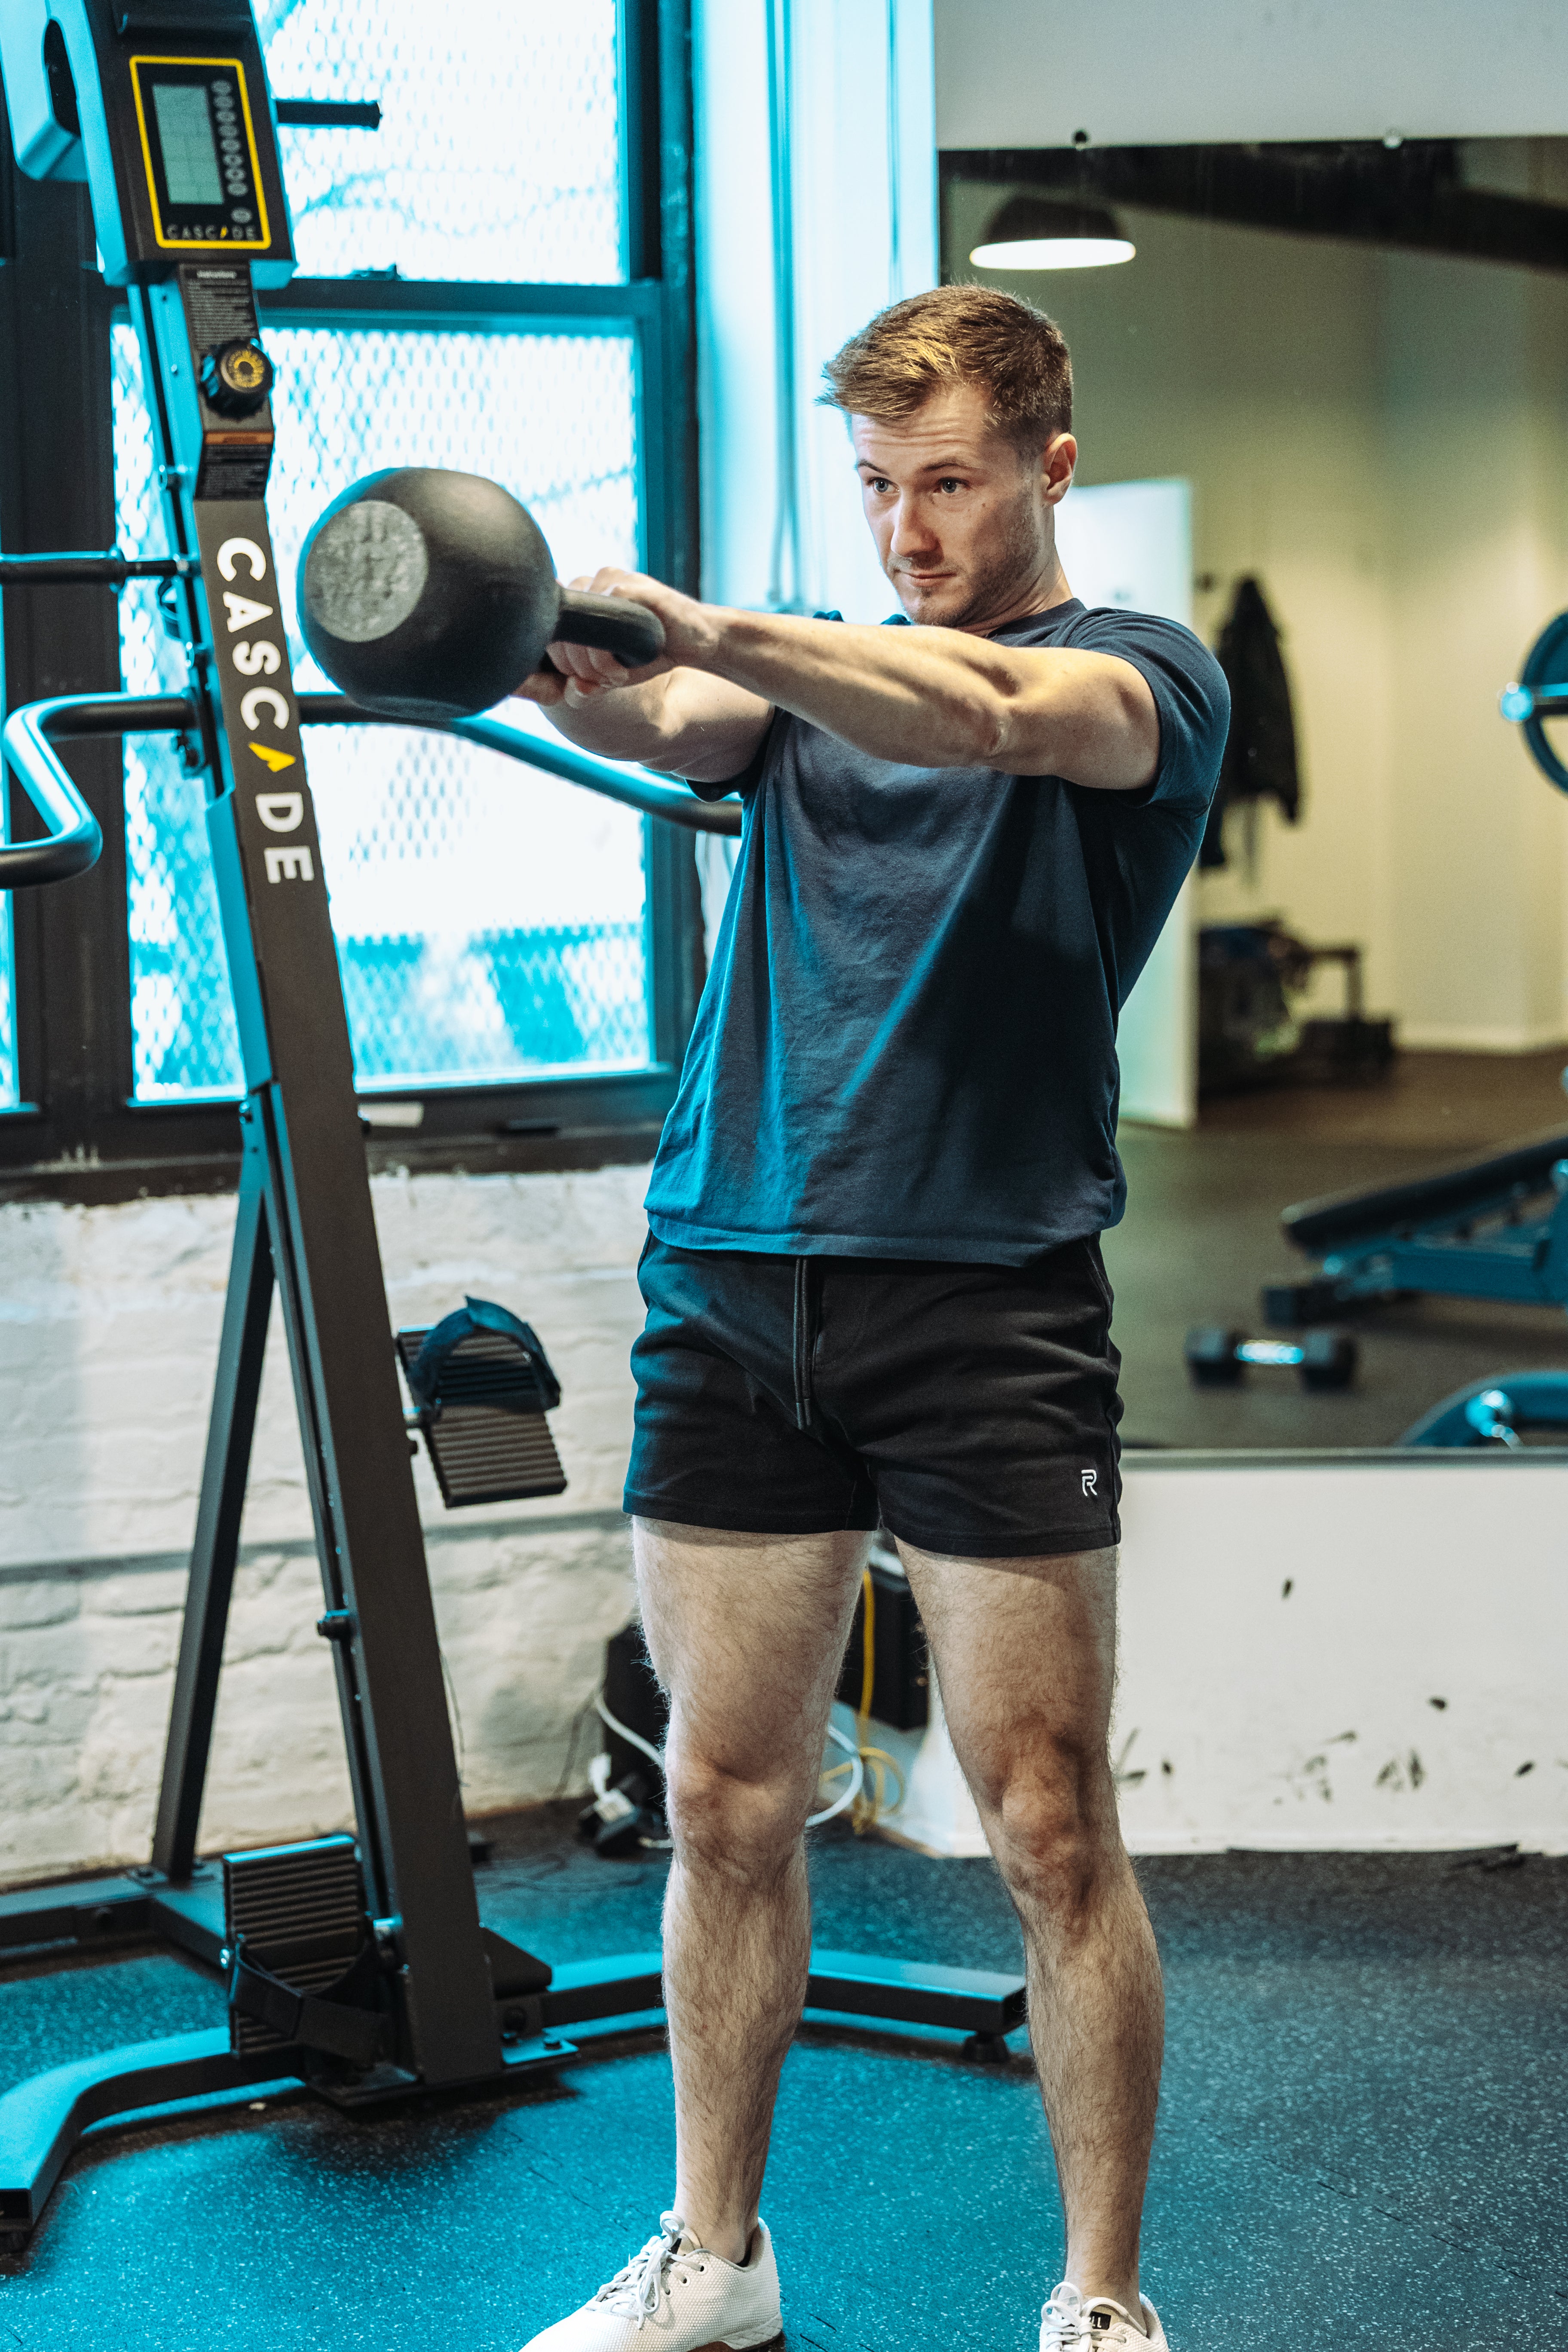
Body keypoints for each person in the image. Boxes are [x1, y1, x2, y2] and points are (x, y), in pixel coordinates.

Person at [511, 285, 1228, 2352]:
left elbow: (982, 717)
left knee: (1045, 1818)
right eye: (876, 492)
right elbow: (665, 726)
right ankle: (715, 2261)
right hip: (733, 1276)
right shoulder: (806, 687)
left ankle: (1100, 2302)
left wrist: (710, 620)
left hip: (986, 1305)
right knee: (729, 1795)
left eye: (946, 484)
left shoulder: (1141, 679)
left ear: (1047, 465)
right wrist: (563, 664)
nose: (909, 530)